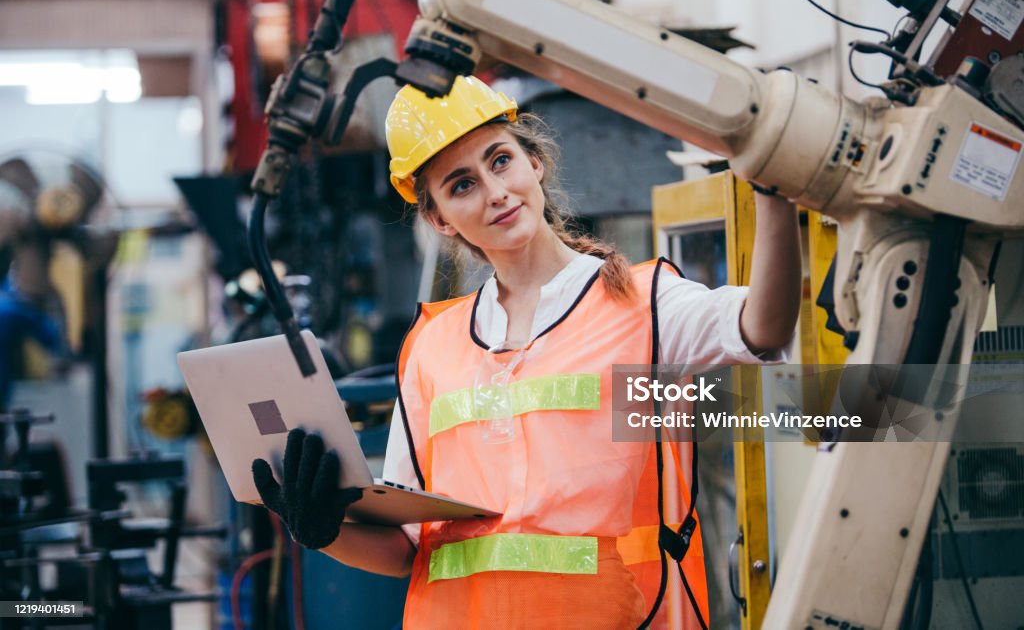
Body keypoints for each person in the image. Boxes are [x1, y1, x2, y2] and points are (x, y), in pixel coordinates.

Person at [252, 75, 801, 629]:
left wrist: (773, 193)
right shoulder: (430, 349)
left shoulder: (643, 305)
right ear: (440, 218)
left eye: (500, 161)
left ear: (534, 162)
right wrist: (322, 532)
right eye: (462, 185)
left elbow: (764, 327)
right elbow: (406, 550)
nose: (495, 192)